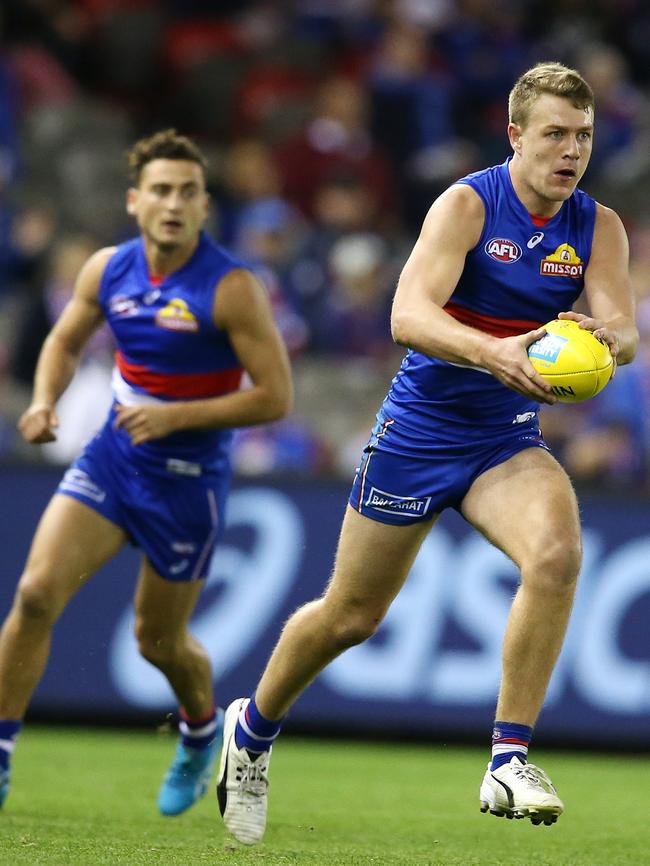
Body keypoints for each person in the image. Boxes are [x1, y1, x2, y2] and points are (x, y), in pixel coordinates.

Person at [216, 62, 638, 845]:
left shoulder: (597, 225)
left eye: (581, 136)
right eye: (553, 134)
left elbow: (624, 328)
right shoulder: (469, 204)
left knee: (556, 554)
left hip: (504, 437)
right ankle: (252, 731)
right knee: (350, 616)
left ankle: (509, 759)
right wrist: (499, 352)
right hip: (419, 432)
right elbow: (407, 315)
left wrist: (603, 339)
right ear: (515, 135)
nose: (570, 150)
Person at [0, 129, 292, 815]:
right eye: (160, 190)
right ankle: (3, 749)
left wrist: (175, 416)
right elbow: (64, 340)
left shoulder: (232, 288)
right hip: (113, 456)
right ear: (135, 201)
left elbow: (276, 397)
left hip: (187, 479)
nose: (173, 203)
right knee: (37, 593)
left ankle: (199, 729)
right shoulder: (107, 269)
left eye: (187, 192)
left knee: (157, 642)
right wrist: (44, 401)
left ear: (203, 206)